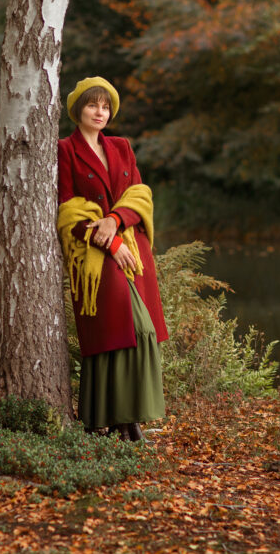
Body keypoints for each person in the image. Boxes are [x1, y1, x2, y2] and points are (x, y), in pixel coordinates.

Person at [57, 77, 168, 441]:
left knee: (142, 331)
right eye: (92, 105)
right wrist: (109, 243)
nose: (99, 112)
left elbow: (139, 197)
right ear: (78, 110)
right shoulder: (65, 150)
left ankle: (127, 417)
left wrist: (115, 221)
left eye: (105, 106)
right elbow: (68, 211)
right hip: (94, 255)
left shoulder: (121, 147)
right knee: (114, 333)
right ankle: (112, 420)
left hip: (133, 250)